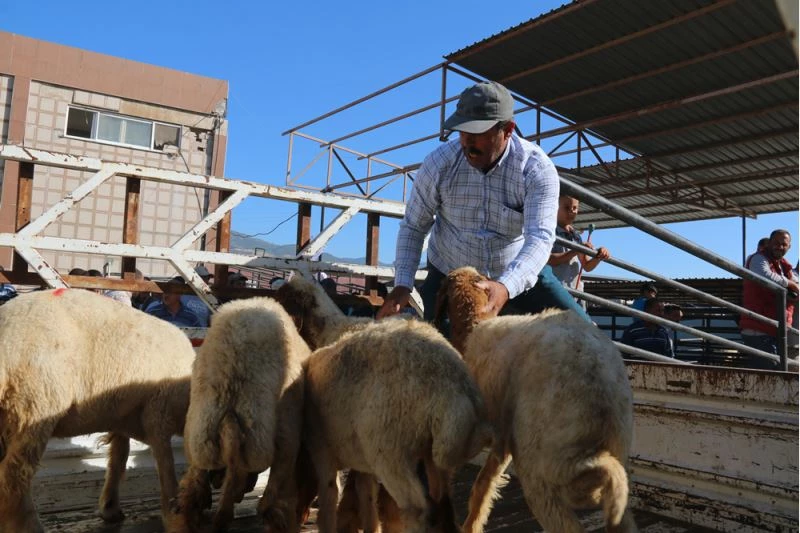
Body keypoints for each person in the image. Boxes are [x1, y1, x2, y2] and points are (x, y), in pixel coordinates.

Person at [377, 80, 590, 323]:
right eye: (462, 131)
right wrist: (403, 284)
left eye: (478, 133)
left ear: (507, 130)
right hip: (451, 273)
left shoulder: (535, 169)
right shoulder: (438, 165)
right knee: (439, 349)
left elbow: (540, 238)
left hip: (512, 271)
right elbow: (414, 226)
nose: (467, 142)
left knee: (583, 333)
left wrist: (506, 286)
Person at [739, 229, 798, 368]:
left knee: (774, 374)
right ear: (769, 243)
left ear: (789, 247)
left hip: (774, 329)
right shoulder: (758, 259)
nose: (780, 247)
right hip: (758, 329)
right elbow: (764, 275)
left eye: (784, 244)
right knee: (769, 373)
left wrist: (794, 286)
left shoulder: (784, 267)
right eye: (777, 243)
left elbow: (797, 285)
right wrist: (790, 285)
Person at [548, 194, 610, 299]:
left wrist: (598, 256)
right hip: (556, 292)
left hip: (576, 293)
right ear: (555, 207)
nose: (571, 211)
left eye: (575, 208)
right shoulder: (550, 231)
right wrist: (577, 250)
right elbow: (549, 260)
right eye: (566, 207)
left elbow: (586, 266)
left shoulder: (576, 236)